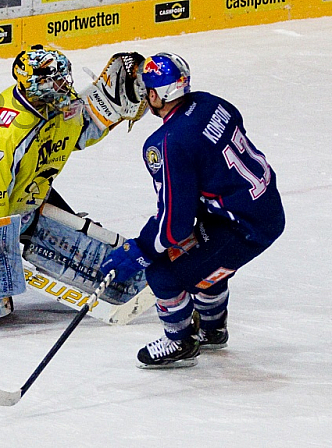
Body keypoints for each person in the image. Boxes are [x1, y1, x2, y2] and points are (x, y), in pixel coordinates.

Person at [100, 52, 285, 368]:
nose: (144, 95)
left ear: (158, 94)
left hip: (244, 226)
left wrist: (141, 250)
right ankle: (213, 330)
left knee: (163, 270)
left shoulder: (167, 142)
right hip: (258, 207)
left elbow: (175, 223)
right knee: (203, 262)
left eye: (147, 89)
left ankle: (180, 341)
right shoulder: (211, 102)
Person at [0, 45, 147, 268]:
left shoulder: (53, 103)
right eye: (56, 80)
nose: (65, 85)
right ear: (36, 85)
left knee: (82, 246)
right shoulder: (9, 130)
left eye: (64, 78)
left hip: (25, 194)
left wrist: (110, 104)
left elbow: (77, 131)